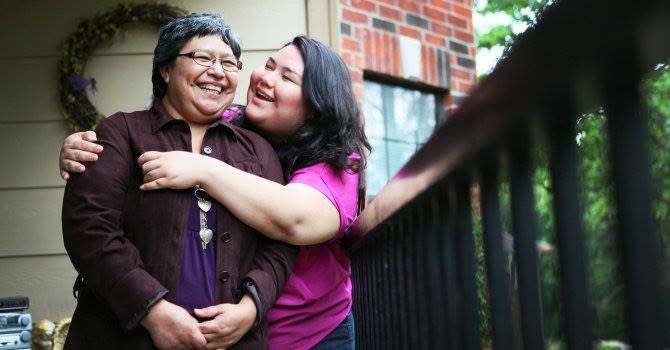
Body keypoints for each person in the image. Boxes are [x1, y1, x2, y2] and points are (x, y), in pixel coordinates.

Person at [60, 35, 371, 349]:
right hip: (231, 332)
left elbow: (292, 223)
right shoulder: (231, 122)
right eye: (268, 65)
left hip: (310, 333)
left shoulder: (339, 163)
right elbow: (161, 127)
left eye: (286, 77)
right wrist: (85, 149)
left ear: (316, 107)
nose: (266, 78)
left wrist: (202, 170)